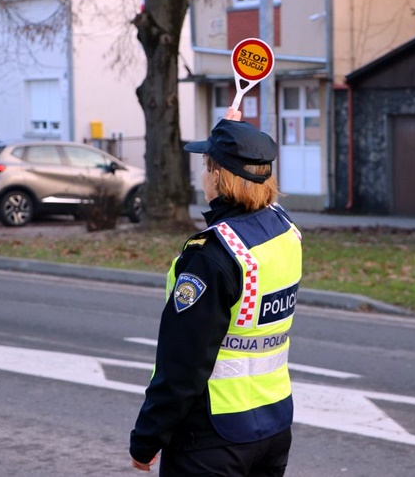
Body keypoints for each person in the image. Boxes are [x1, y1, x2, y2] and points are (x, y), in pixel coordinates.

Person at [130, 107, 303, 476]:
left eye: (206, 164)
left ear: (218, 176)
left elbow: (182, 366)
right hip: (272, 428)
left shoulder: (212, 256)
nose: (202, 174)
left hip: (213, 439)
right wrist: (234, 134)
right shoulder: (285, 230)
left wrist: (147, 439)